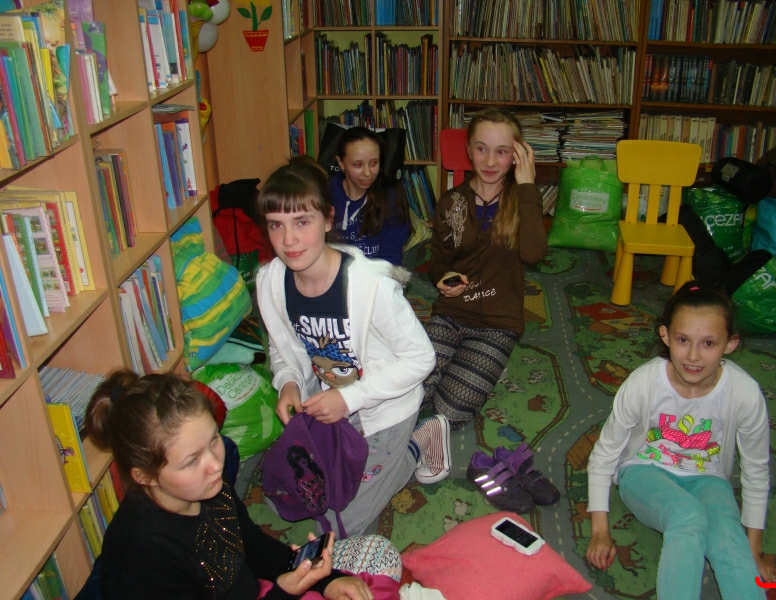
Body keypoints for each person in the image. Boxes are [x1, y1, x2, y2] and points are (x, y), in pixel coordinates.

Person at [255, 157, 447, 537]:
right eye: (276, 224)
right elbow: (283, 348)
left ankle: (416, 444)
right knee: (290, 496)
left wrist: (350, 398)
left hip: (384, 408)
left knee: (342, 524)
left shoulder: (371, 286)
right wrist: (289, 383)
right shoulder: (271, 282)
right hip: (328, 401)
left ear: (328, 219)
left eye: (302, 222)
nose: (288, 240)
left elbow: (422, 358)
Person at [85, 369, 388, 600]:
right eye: (192, 461)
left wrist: (325, 579)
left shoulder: (207, 488)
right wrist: (284, 593)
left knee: (379, 554)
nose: (216, 464)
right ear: (145, 476)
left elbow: (251, 545)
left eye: (213, 440)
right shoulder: (143, 556)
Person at [586, 282, 776, 600]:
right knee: (687, 516)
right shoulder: (643, 383)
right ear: (665, 336)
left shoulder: (744, 393)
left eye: (709, 343)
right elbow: (605, 454)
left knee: (730, 539)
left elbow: (756, 470)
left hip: (708, 478)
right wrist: (600, 531)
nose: (693, 356)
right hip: (643, 471)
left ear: (730, 344)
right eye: (683, 340)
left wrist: (753, 550)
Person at [423, 108, 548, 430]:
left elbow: (534, 254)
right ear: (469, 150)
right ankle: (470, 365)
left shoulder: (523, 200)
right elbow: (438, 258)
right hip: (451, 312)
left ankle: (482, 363)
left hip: (498, 322)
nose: (490, 161)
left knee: (450, 411)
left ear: (517, 155)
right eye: (482, 149)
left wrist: (527, 185)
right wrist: (442, 276)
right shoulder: (451, 201)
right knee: (410, 391)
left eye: (502, 151)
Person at [330, 127, 410, 266]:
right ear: (341, 163)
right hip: (334, 273)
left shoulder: (391, 195)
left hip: (376, 273)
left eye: (373, 163)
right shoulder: (325, 195)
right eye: (358, 165)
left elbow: (391, 255)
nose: (367, 173)